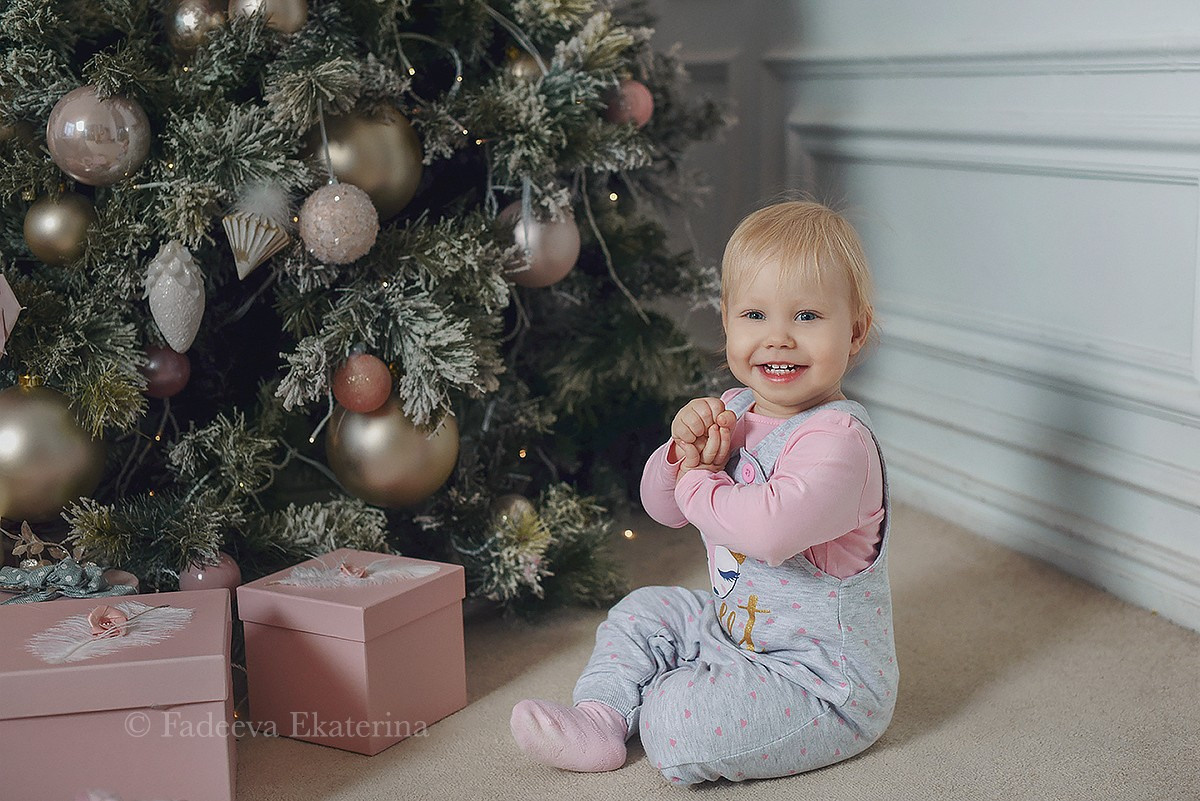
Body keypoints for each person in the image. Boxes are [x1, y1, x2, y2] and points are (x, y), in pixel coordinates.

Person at [509, 200, 897, 785]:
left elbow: (768, 532)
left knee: (675, 720)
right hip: (732, 628)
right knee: (642, 611)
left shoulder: (840, 441)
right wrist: (679, 454)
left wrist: (698, 478)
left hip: (819, 684)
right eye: (755, 314)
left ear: (856, 330)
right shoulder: (735, 408)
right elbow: (662, 509)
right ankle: (601, 718)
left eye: (808, 316)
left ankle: (665, 699)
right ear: (727, 322)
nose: (778, 338)